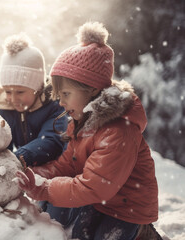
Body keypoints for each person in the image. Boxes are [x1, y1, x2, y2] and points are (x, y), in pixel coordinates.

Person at [15, 22, 159, 240]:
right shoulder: (84, 121)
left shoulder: (118, 131)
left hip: (130, 208)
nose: (59, 102)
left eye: (65, 94)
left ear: (91, 89)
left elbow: (94, 186)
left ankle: (142, 232)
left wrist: (44, 188)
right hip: (103, 201)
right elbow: (68, 165)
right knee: (79, 234)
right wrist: (35, 176)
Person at [0, 33, 68, 167]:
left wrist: (21, 156)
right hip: (24, 165)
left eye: (20, 92)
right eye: (8, 91)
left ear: (37, 88)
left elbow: (52, 140)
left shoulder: (55, 105)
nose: (13, 99)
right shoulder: (4, 108)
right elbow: (0, 142)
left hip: (53, 168)